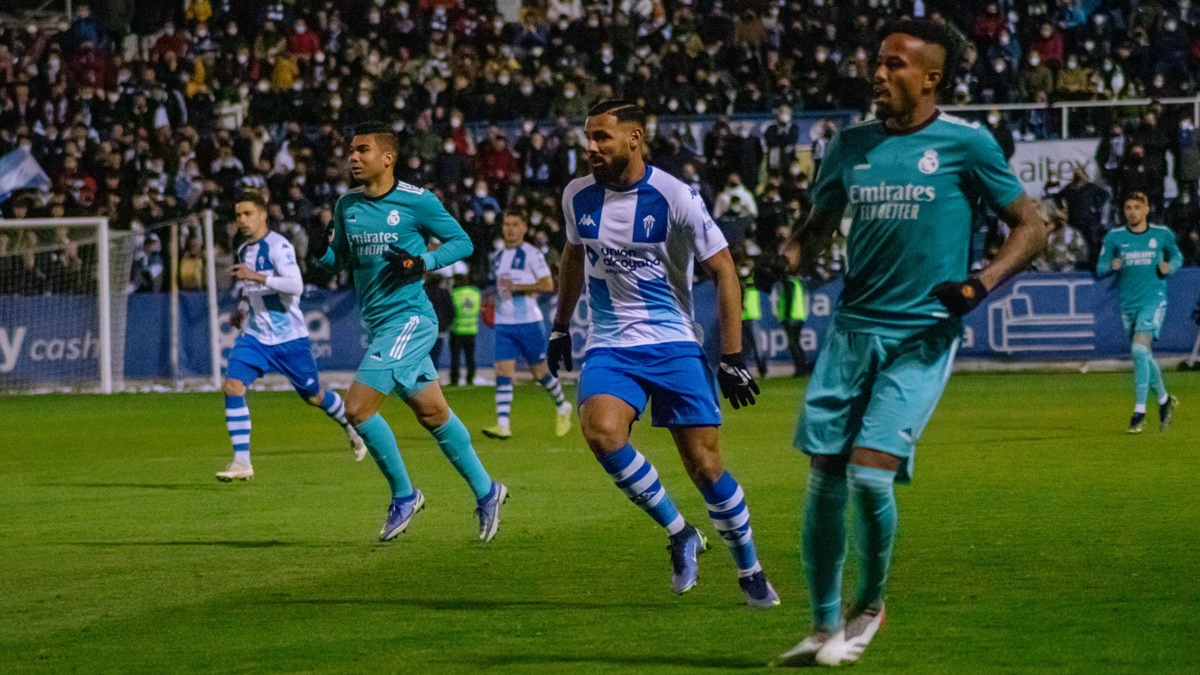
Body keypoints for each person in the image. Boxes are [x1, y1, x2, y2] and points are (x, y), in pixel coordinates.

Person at [771, 20, 1048, 667]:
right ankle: (819, 627)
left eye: (896, 65)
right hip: (851, 332)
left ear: (931, 78)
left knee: (870, 476)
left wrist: (980, 285)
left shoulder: (966, 144)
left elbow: (1031, 228)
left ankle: (868, 605)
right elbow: (816, 225)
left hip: (920, 336)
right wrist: (787, 256)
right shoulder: (849, 145)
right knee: (825, 479)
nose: (879, 74)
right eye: (877, 62)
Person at [548, 100, 779, 607]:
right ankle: (679, 532)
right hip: (609, 343)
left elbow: (724, 270)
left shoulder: (675, 196)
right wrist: (561, 326)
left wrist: (733, 355)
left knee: (704, 465)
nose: (591, 147)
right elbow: (572, 255)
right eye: (588, 137)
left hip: (674, 342)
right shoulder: (576, 195)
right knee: (601, 431)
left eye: (602, 137)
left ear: (634, 139)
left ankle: (750, 568)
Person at [309, 121, 508, 543]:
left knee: (358, 409)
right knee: (433, 414)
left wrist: (422, 263)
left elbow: (462, 243)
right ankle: (488, 491)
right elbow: (337, 261)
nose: (353, 157)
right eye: (351, 150)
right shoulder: (347, 206)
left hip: (411, 320)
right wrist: (318, 251)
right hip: (381, 323)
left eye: (362, 150)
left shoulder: (418, 202)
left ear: (388, 157)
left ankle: (404, 494)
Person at [217, 192, 366, 482]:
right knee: (232, 385)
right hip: (256, 336)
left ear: (263, 215)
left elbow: (295, 285)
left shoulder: (278, 246)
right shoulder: (244, 251)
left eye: (247, 214)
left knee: (314, 396)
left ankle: (351, 427)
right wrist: (242, 309)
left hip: (289, 338)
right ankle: (242, 461)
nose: (242, 220)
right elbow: (250, 288)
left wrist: (257, 277)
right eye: (238, 215)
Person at [482, 212, 573, 440]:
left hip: (528, 322)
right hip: (505, 323)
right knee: (503, 371)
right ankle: (503, 424)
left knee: (540, 371)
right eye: (507, 224)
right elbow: (502, 288)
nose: (510, 229)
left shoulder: (532, 254)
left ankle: (563, 406)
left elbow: (547, 284)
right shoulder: (498, 256)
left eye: (515, 224)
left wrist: (518, 287)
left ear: (524, 228)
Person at [1096, 191, 1181, 434]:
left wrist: (1170, 266)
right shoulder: (1115, 237)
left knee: (1138, 350)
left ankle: (1139, 412)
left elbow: (1177, 256)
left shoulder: (1161, 234)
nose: (1131, 211)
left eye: (1136, 207)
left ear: (1146, 210)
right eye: (1128, 207)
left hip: (1153, 301)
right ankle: (1164, 401)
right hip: (1128, 305)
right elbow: (1100, 267)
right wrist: (1111, 267)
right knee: (1144, 356)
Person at [449, 273, 481, 387]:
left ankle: (454, 379)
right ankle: (470, 378)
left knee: (455, 357)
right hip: (471, 328)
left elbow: (451, 311)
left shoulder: (454, 294)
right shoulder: (475, 293)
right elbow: (477, 308)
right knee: (470, 356)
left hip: (457, 329)